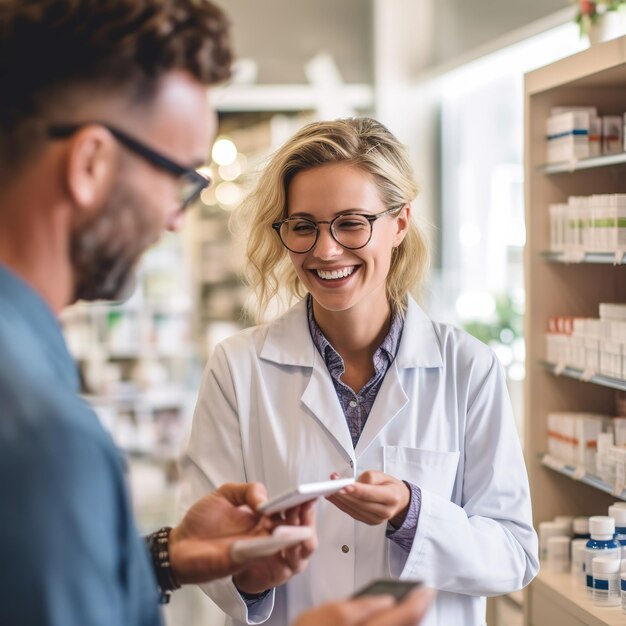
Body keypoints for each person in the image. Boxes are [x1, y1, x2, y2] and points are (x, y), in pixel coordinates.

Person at [0, 1, 435, 625]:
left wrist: (164, 559)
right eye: (177, 176)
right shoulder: (41, 432)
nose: (177, 217)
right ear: (91, 164)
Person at [182, 117, 540, 626]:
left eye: (351, 223)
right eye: (303, 226)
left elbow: (513, 554)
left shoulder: (468, 368)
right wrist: (248, 574)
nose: (325, 250)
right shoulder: (238, 369)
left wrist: (412, 514)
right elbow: (200, 545)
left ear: (399, 223)